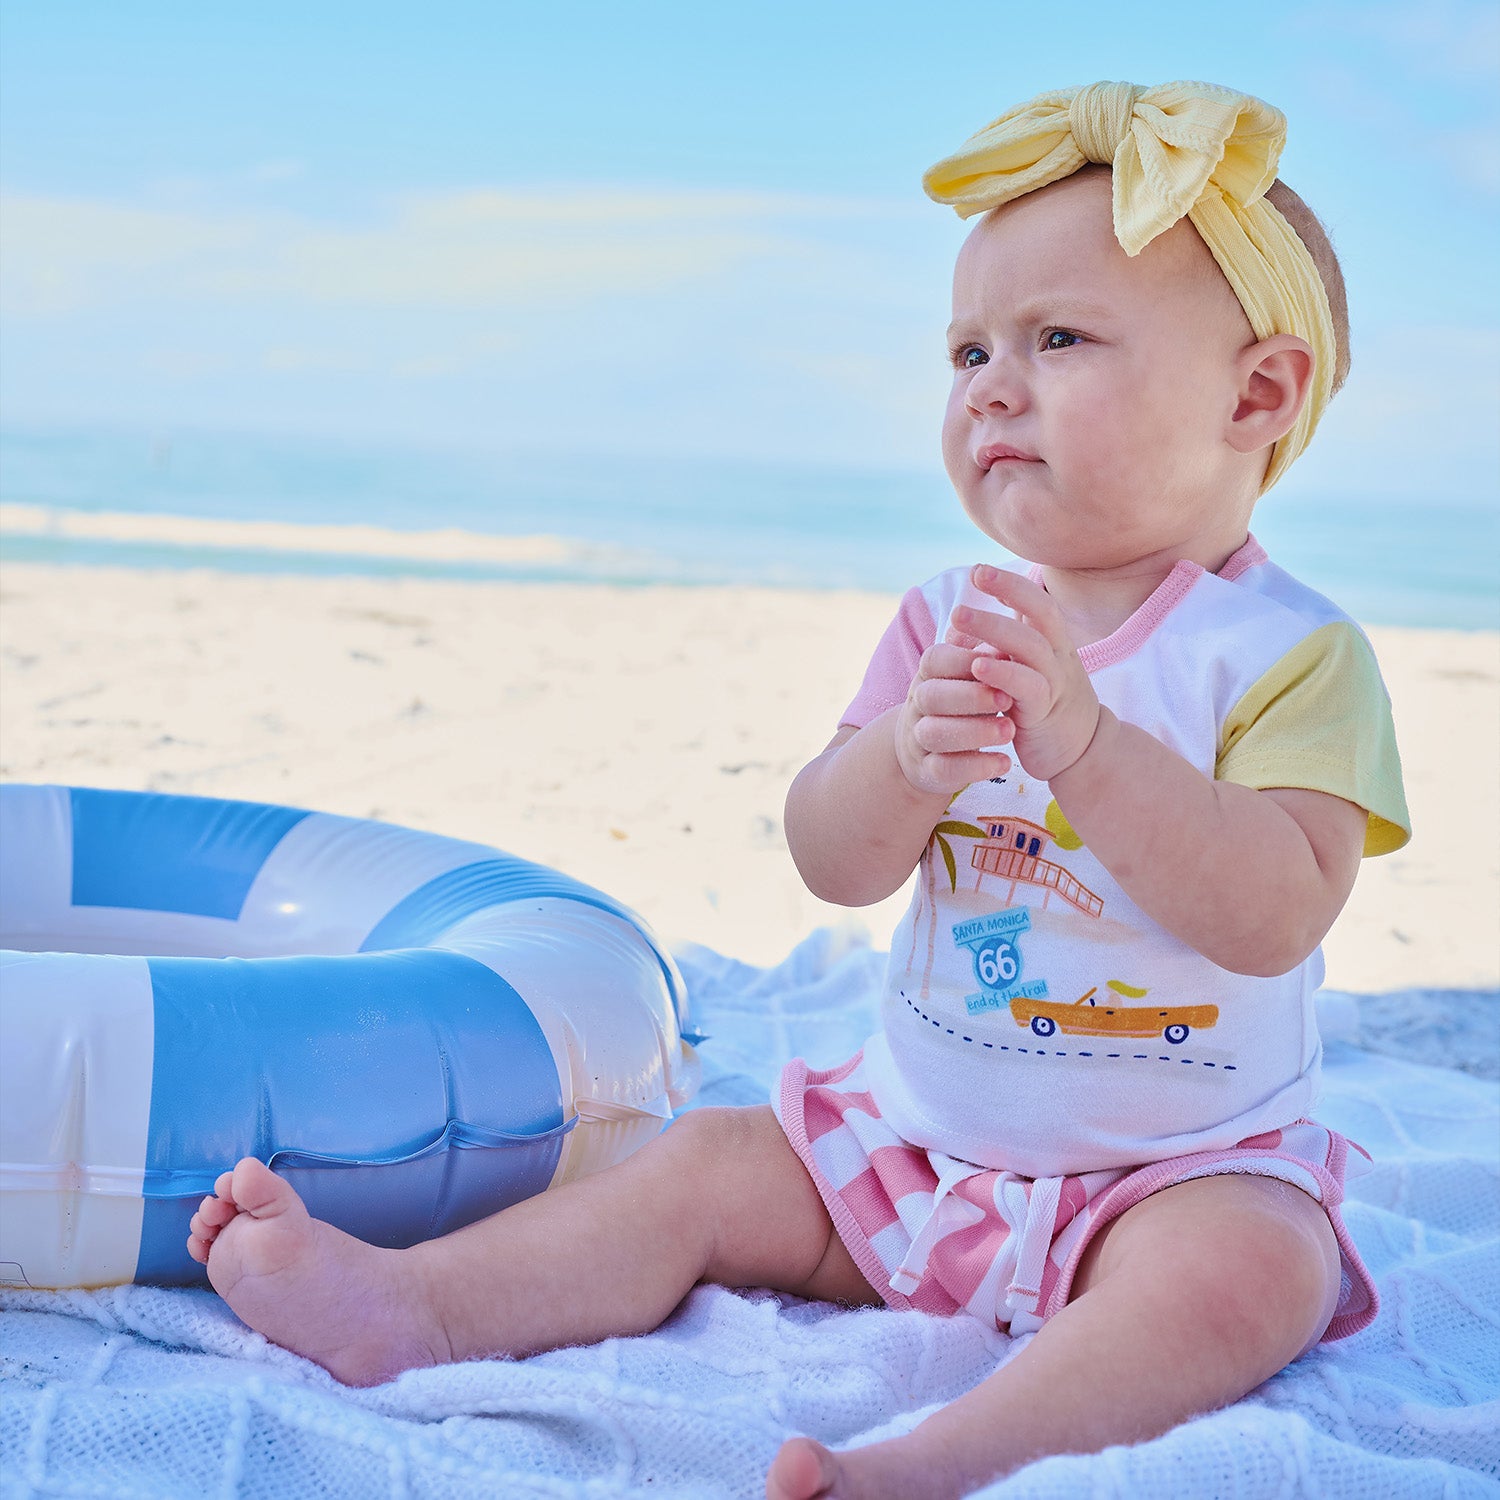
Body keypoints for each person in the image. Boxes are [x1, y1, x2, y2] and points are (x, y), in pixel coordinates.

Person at [187, 81, 1410, 1499]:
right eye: (966, 352)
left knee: (1252, 1277)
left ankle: (941, 1462)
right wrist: (898, 766)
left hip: (1170, 1176)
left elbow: (1275, 914)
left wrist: (1086, 747)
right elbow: (835, 861)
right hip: (910, 1160)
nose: (990, 388)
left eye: (1058, 339)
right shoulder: (946, 620)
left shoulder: (1289, 655)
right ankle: (418, 1310)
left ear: (1257, 393)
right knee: (708, 1161)